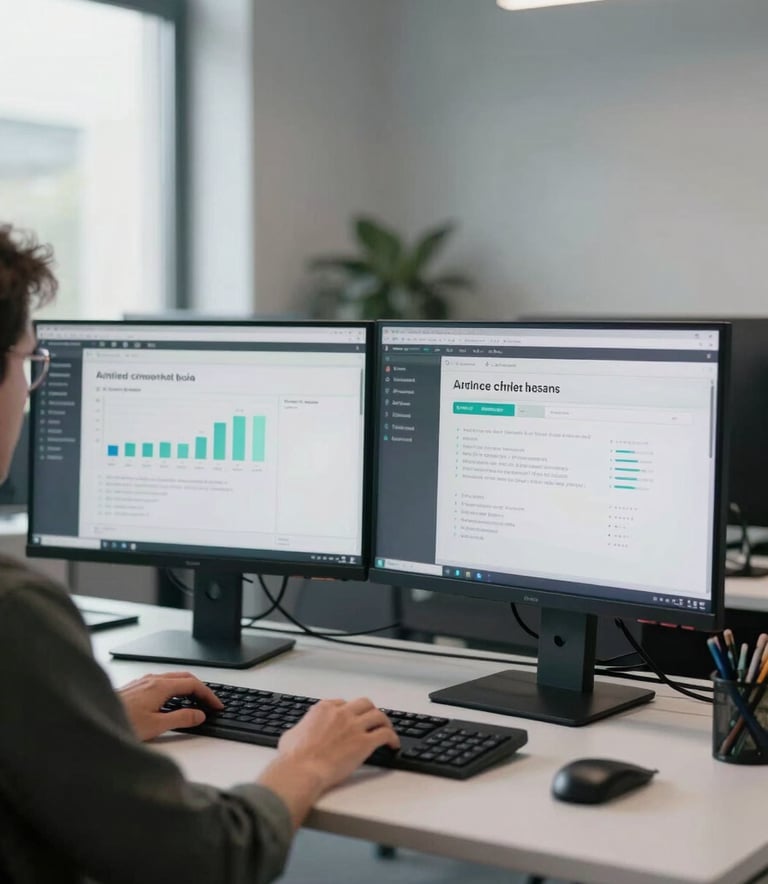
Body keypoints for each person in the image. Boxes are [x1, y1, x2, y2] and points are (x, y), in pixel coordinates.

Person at [0, 224, 399, 884]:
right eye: (27, 362)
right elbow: (208, 858)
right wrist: (307, 760)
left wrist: (90, 729)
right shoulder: (14, 611)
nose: (29, 389)